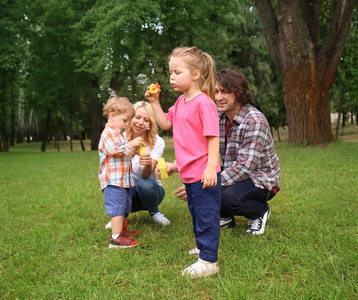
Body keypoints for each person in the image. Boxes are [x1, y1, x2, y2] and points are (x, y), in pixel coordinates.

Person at [166, 68, 280, 235]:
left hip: (261, 180)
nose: (219, 97)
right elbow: (199, 147)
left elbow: (244, 168)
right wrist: (177, 165)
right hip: (234, 174)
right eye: (217, 91)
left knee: (224, 196)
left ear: (239, 93)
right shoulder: (218, 116)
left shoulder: (255, 121)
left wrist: (204, 184)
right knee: (209, 189)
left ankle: (259, 211)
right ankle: (225, 216)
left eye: (225, 92)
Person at [145, 46, 221, 278]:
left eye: (177, 72)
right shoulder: (180, 102)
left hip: (203, 173)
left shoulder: (204, 103)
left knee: (206, 215)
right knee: (197, 213)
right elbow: (166, 124)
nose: (172, 77)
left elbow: (213, 137)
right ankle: (202, 246)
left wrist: (210, 168)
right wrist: (154, 102)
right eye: (170, 72)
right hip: (189, 174)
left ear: (196, 75)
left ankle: (208, 262)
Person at [105, 101, 170, 227]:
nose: (140, 122)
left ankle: (154, 212)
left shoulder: (158, 142)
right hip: (128, 190)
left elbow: (146, 175)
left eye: (146, 120)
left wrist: (147, 164)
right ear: (130, 118)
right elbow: (114, 170)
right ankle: (121, 215)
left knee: (144, 184)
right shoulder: (120, 138)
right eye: (137, 117)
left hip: (151, 192)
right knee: (117, 187)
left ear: (150, 124)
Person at [98, 96, 143, 249]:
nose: (127, 124)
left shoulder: (118, 134)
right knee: (117, 208)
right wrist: (130, 144)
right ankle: (116, 239)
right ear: (112, 116)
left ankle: (121, 232)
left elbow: (123, 153)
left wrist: (133, 151)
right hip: (113, 180)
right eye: (125, 120)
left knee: (123, 207)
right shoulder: (108, 133)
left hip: (123, 180)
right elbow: (114, 150)